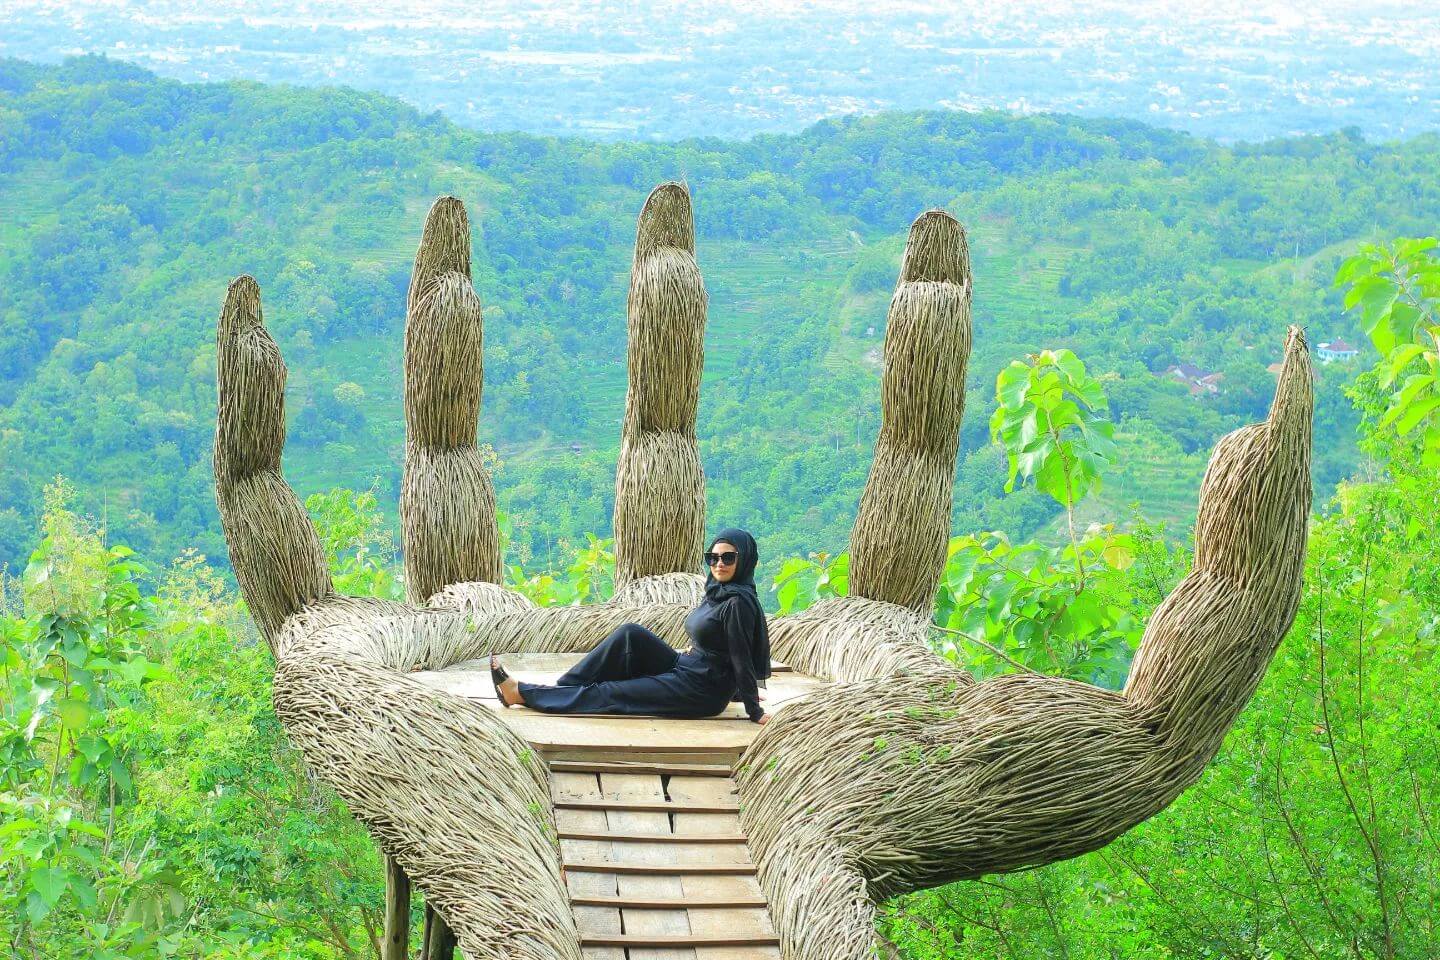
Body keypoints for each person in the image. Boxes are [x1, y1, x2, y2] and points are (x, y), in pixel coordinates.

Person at [490, 527, 773, 724]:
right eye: (713, 557)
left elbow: (740, 656)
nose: (718, 564)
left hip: (700, 692)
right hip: (687, 667)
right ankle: (563, 690)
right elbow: (718, 646)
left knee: (612, 691)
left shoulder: (737, 603)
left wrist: (753, 708)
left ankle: (522, 693)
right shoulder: (717, 592)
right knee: (631, 635)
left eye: (728, 558)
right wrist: (733, 687)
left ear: (745, 560)